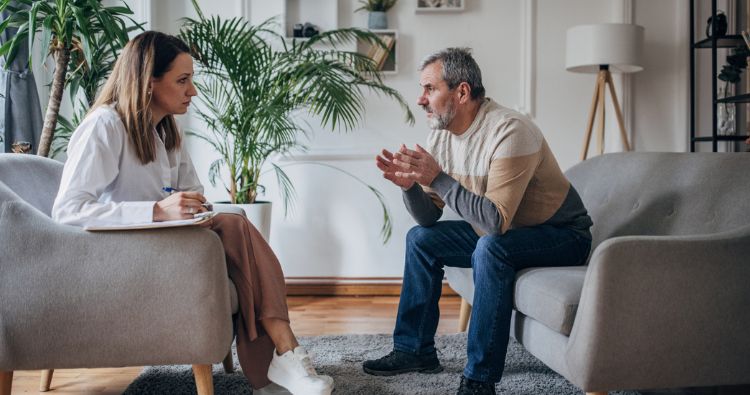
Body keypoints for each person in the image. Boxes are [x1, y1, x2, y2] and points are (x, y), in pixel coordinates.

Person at [51, 31, 333, 395]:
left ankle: (281, 363)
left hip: (163, 244)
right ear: (148, 82)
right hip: (116, 254)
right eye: (182, 80)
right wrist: (156, 210)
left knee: (234, 224)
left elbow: (192, 193)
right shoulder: (104, 126)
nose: (193, 91)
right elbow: (68, 211)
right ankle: (283, 360)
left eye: (191, 80)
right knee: (234, 224)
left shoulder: (166, 131)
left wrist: (191, 207)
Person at [364, 48, 593, 395]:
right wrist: (411, 186)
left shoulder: (510, 130)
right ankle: (414, 350)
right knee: (420, 240)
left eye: (429, 89)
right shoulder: (440, 135)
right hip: (505, 232)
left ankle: (479, 378)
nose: (420, 99)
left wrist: (438, 177)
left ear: (462, 92)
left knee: (490, 248)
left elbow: (495, 223)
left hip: (562, 235)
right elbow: (429, 218)